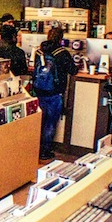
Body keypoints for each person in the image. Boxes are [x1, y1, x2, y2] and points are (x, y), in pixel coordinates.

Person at [34, 26, 78, 160]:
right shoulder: (62, 53)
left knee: (39, 121)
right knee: (50, 123)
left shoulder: (39, 52)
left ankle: (35, 150)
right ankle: (45, 151)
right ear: (60, 38)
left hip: (39, 91)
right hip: (54, 92)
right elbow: (73, 71)